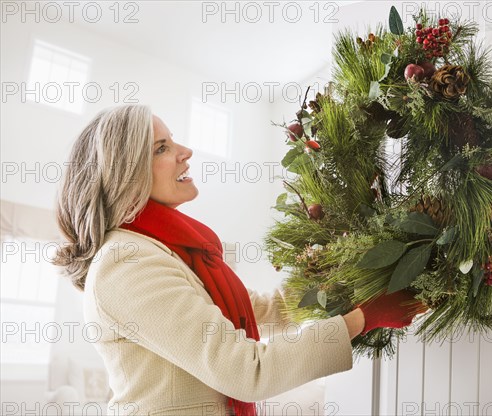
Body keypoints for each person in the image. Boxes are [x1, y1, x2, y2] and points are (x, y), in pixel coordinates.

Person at [53, 105, 427, 415]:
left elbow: (269, 309)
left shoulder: (171, 251)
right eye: (161, 148)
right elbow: (247, 371)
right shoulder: (127, 262)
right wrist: (364, 317)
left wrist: (339, 268)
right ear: (125, 174)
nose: (185, 151)